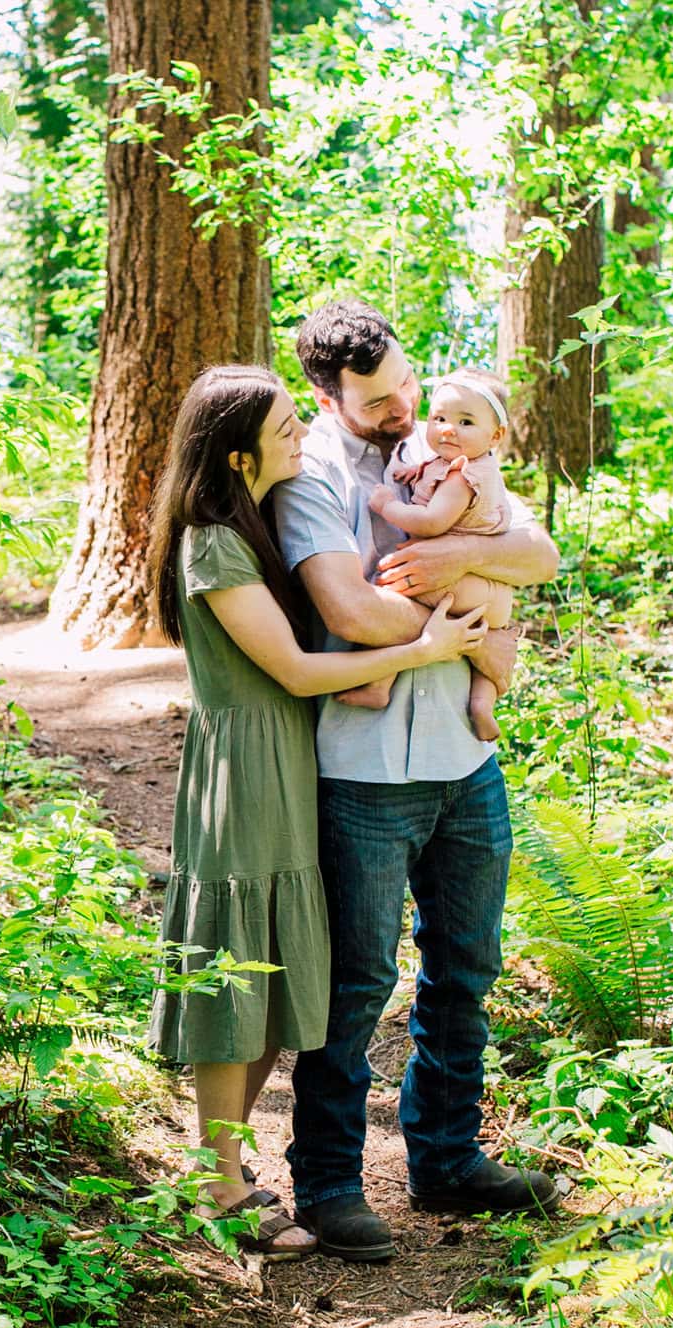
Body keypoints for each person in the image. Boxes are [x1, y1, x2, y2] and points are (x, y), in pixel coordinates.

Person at [144, 363, 491, 1260]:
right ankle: (217, 1182)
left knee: (266, 970)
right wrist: (426, 648)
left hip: (287, 763)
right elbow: (297, 670)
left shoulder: (250, 527)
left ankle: (225, 1172)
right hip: (247, 769)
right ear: (237, 450)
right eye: (287, 423)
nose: (303, 433)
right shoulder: (212, 542)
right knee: (234, 969)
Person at [270, 302, 562, 1264]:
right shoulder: (309, 473)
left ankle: (445, 1155)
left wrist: (457, 560)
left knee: (465, 971)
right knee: (356, 983)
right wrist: (455, 625)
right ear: (329, 394)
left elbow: (539, 555)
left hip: (465, 763)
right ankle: (327, 1184)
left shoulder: (448, 453)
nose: (405, 404)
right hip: (363, 771)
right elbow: (347, 610)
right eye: (379, 396)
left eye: (407, 381)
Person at [339, 369, 518, 741]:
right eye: (439, 418)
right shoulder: (461, 463)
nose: (447, 429)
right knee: (489, 643)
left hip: (456, 584)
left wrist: (388, 505)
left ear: (495, 436)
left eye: (465, 421)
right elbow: (432, 474)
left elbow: (432, 522)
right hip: (493, 596)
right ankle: (483, 704)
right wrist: (412, 472)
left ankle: (379, 684)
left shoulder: (463, 476)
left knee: (394, 593)